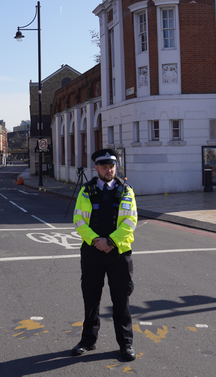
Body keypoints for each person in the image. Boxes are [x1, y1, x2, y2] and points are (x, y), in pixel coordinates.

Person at [71, 148, 138, 361]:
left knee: (121, 300)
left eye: (112, 166)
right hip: (92, 252)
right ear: (96, 167)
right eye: (104, 166)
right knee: (91, 298)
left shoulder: (126, 191)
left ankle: (125, 344)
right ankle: (88, 340)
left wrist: (109, 241)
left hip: (119, 252)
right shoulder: (86, 191)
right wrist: (95, 241)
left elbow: (130, 222)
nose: (109, 170)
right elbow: (79, 220)